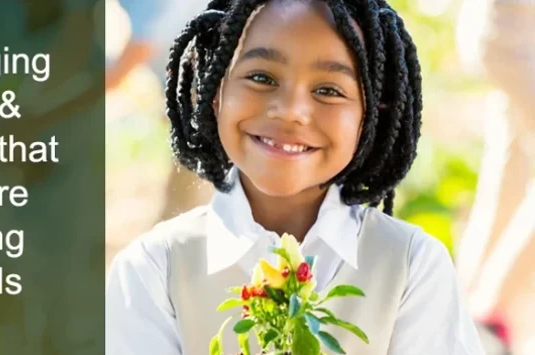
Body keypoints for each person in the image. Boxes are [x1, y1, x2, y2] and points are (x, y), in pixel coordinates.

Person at [105, 0, 486, 353]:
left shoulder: (411, 267)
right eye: (261, 77)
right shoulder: (155, 269)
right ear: (214, 89)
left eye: (328, 90)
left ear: (372, 114)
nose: (290, 111)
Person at [455, 0, 535, 352]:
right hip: (513, 35)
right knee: (510, 175)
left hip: (509, 30)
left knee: (510, 176)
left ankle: (460, 310)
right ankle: (487, 315)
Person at [109, 0, 214, 224]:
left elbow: (144, 43)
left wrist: (93, 88)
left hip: (207, 83)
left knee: (190, 189)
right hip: (193, 84)